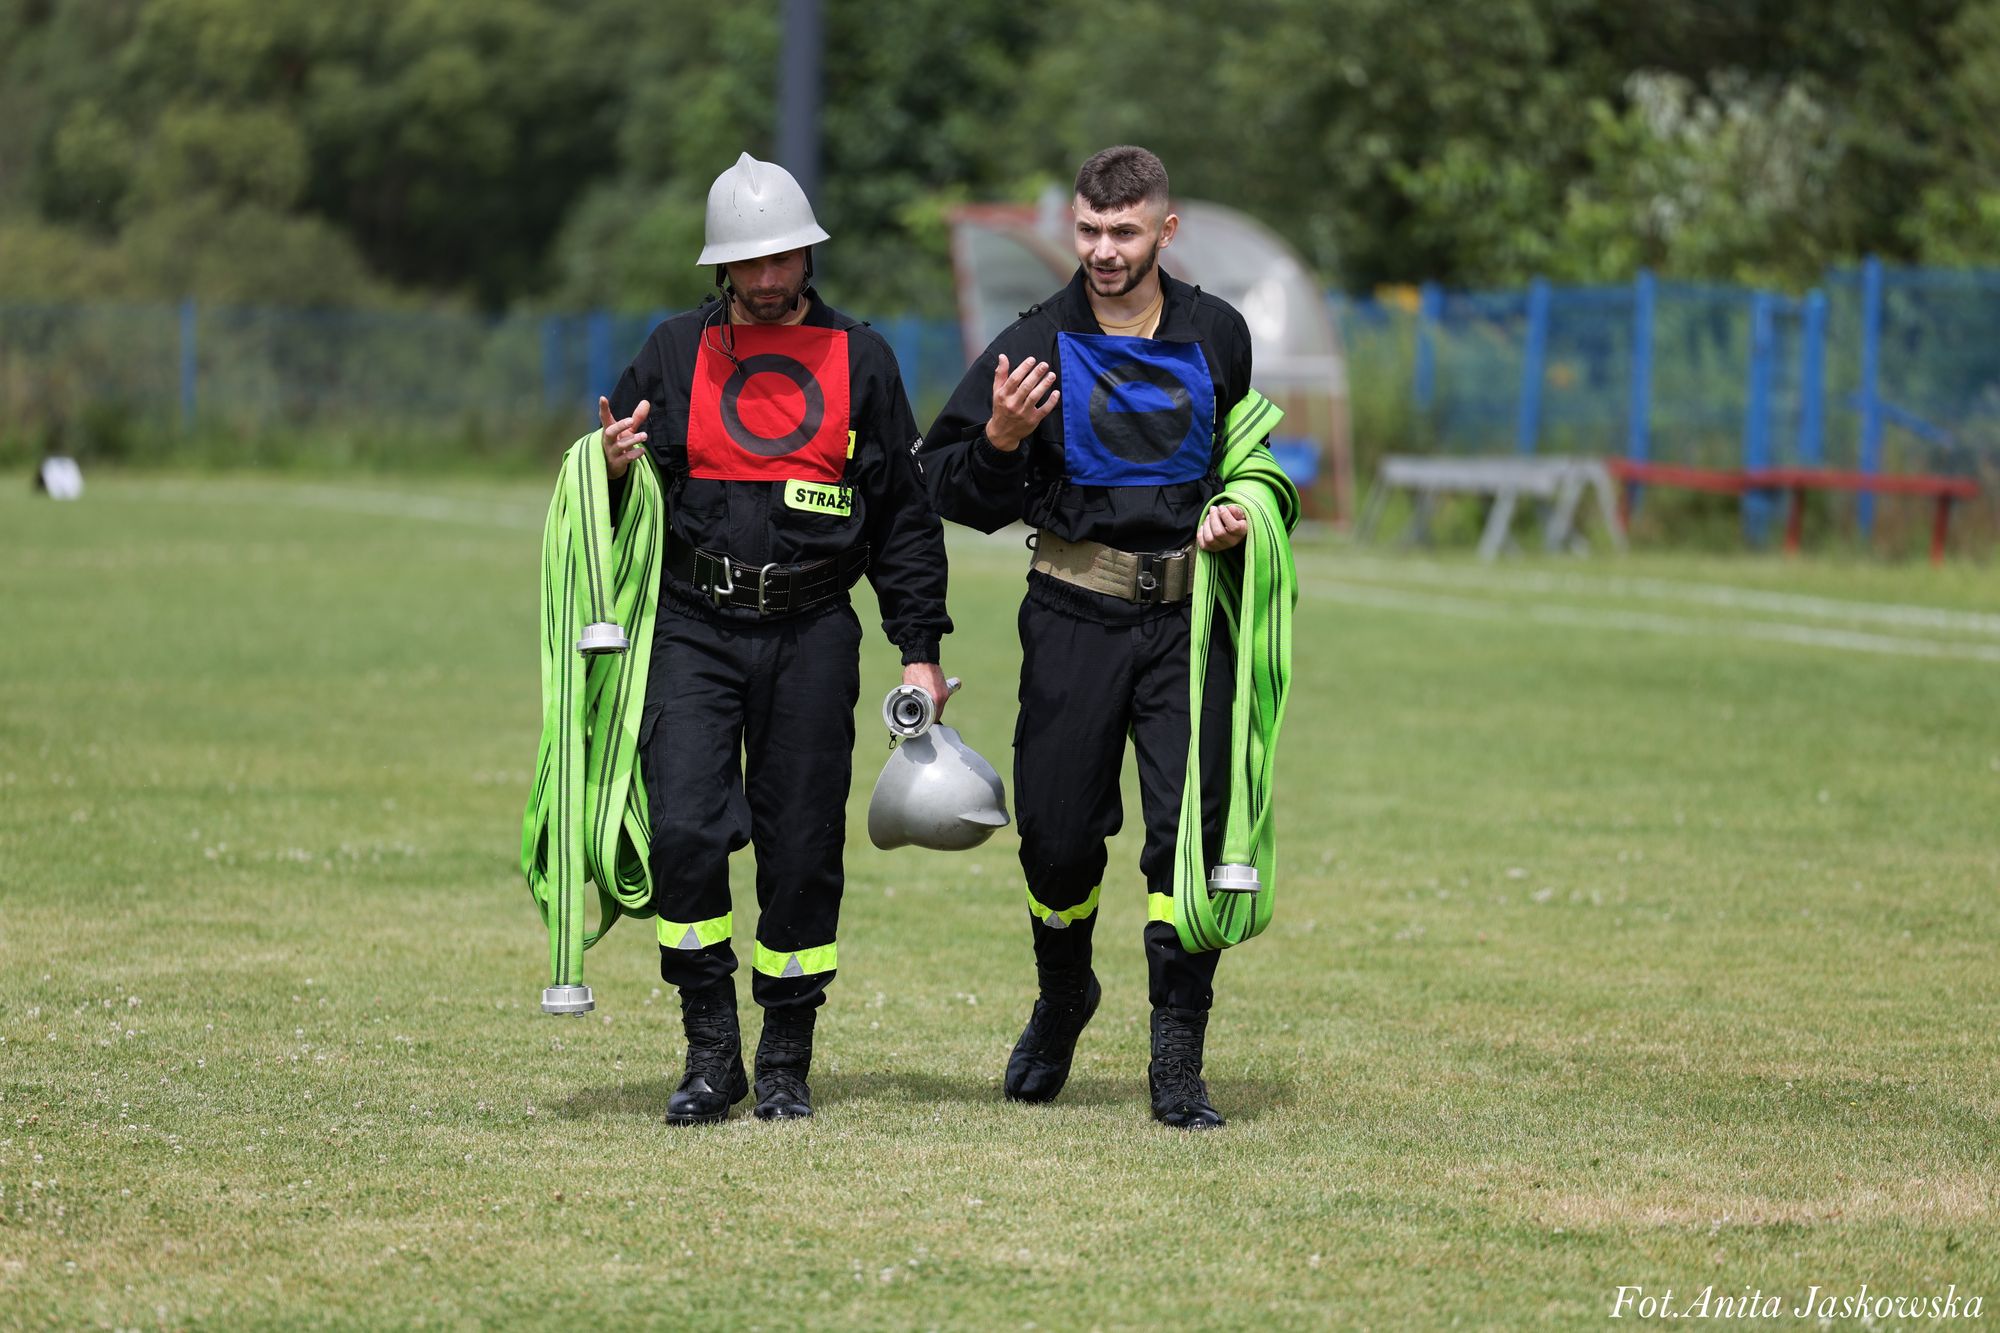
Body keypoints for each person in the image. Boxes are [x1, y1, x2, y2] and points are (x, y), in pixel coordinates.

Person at [920, 145, 1271, 1130]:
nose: (1102, 250)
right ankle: (1063, 992)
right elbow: (942, 481)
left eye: (1122, 231)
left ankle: (1176, 1058)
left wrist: (1239, 510)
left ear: (1165, 230)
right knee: (1060, 840)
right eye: (1086, 231)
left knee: (1187, 842)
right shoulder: (1031, 343)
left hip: (1189, 621)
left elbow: (1251, 464)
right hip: (1072, 614)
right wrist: (994, 437)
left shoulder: (1218, 335)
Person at [597, 152, 952, 1125]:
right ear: (720, 267)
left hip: (813, 629)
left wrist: (917, 646)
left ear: (807, 255)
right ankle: (711, 1054)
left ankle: (786, 1057)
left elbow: (903, 521)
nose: (763, 280)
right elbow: (614, 480)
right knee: (681, 831)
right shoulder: (670, 352)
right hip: (692, 627)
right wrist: (616, 467)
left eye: (780, 259)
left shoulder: (862, 361)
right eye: (746, 264)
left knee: (800, 845)